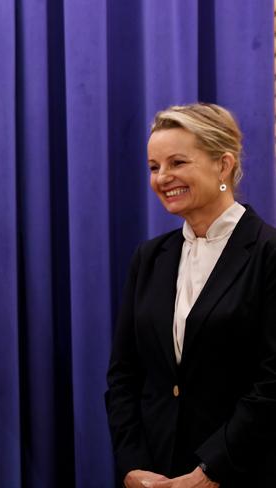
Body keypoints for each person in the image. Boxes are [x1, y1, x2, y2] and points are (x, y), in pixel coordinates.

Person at [105, 103, 276, 487]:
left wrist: (209, 471)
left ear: (223, 165)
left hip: (244, 473)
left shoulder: (268, 253)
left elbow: (272, 383)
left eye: (177, 162)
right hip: (154, 475)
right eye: (154, 167)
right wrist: (132, 466)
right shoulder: (149, 257)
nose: (163, 177)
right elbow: (124, 375)